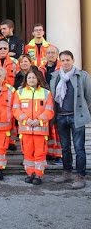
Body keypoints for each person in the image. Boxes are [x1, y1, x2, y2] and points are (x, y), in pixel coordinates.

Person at [50, 50, 91, 189]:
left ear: (73, 60)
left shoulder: (83, 76)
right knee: (65, 147)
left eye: (68, 60)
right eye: (63, 60)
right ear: (59, 61)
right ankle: (66, 172)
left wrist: (85, 113)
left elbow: (88, 97)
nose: (65, 62)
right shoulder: (55, 76)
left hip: (76, 115)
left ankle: (80, 175)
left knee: (79, 148)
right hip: (61, 116)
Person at [13, 68, 54, 185]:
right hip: (25, 130)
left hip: (40, 130)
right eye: (29, 77)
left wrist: (38, 120)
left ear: (38, 79)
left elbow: (49, 110)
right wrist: (26, 120)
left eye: (34, 77)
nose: (31, 79)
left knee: (40, 153)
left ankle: (38, 174)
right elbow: (15, 109)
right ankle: (30, 173)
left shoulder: (46, 93)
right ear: (26, 79)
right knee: (27, 152)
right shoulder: (19, 92)